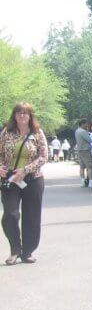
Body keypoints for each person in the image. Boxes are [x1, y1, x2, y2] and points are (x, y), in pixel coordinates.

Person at [0, 103, 49, 265]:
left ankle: (27, 251)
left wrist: (25, 170)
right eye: (18, 113)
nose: (22, 116)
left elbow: (43, 156)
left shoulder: (37, 133)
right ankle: (15, 249)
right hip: (11, 180)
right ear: (14, 115)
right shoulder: (6, 132)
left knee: (32, 217)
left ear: (30, 116)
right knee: (10, 215)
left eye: (25, 113)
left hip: (32, 179)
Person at [74, 119, 92, 187]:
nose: (87, 125)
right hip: (85, 150)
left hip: (79, 150)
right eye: (86, 124)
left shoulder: (77, 131)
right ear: (82, 124)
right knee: (89, 166)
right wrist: (87, 132)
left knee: (81, 167)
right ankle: (90, 182)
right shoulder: (83, 131)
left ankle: (82, 181)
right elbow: (89, 140)